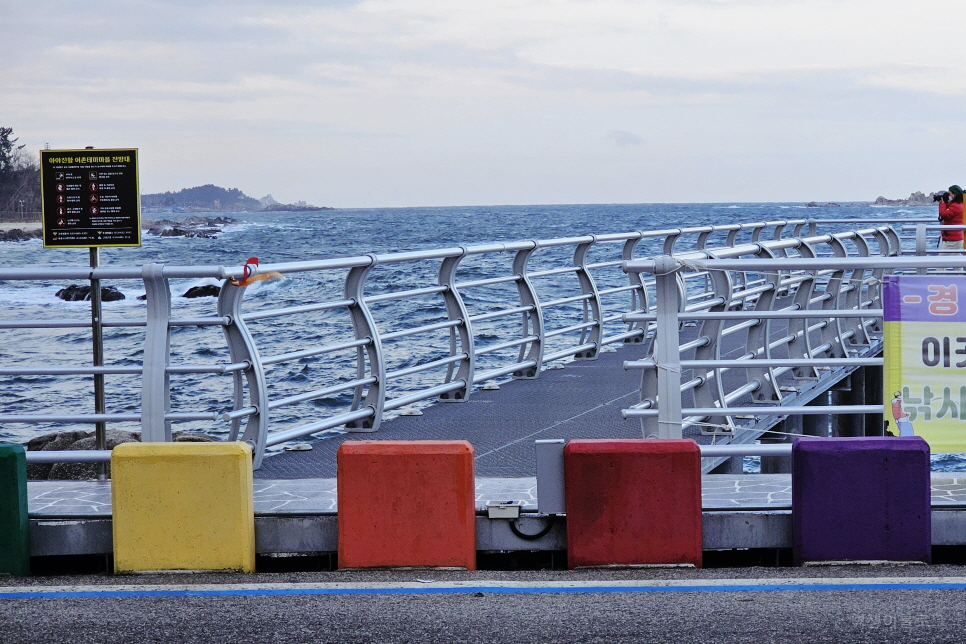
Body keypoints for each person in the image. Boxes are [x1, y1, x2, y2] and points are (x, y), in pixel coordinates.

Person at [937, 185, 964, 252]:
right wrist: (945, 202)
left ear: (954, 195)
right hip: (955, 236)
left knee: (943, 258)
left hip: (954, 237)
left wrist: (942, 204)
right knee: (955, 256)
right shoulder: (958, 204)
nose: (948, 196)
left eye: (949, 194)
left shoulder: (956, 206)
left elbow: (944, 215)